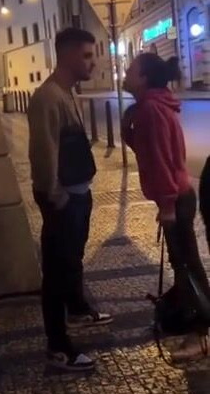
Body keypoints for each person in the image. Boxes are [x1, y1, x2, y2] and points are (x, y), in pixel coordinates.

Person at [27, 28, 113, 372]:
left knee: (71, 261)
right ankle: (58, 347)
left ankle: (77, 310)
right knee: (56, 273)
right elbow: (44, 152)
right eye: (87, 55)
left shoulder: (67, 92)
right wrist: (56, 197)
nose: (93, 62)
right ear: (67, 55)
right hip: (63, 200)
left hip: (77, 196)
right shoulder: (48, 97)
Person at [121, 53, 210, 361]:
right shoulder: (153, 106)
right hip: (179, 194)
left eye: (131, 70)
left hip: (176, 198)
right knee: (185, 263)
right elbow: (151, 151)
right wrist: (129, 130)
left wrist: (167, 206)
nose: (125, 72)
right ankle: (198, 324)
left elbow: (160, 160)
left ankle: (200, 334)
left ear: (144, 78)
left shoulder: (151, 109)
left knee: (186, 266)